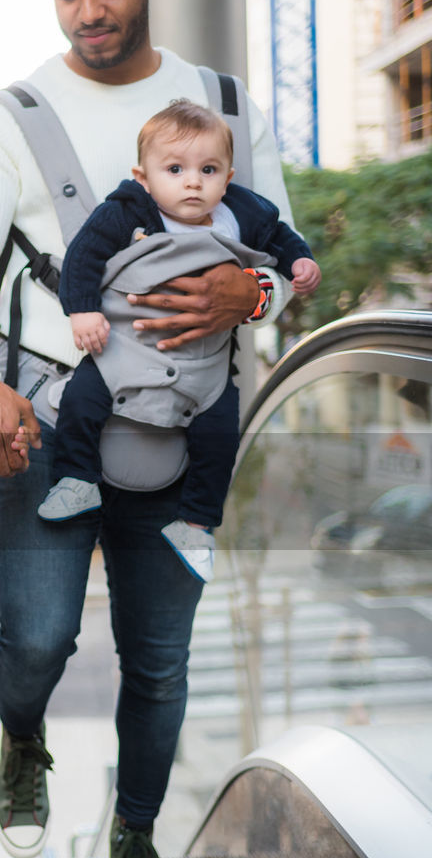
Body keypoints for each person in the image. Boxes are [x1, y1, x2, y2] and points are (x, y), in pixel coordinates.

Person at [0, 0, 303, 858]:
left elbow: (284, 258)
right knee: (39, 637)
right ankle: (22, 736)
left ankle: (134, 846)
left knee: (160, 661)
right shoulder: (11, 116)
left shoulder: (221, 106)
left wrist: (252, 297)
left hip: (187, 421)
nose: (87, 10)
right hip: (49, 417)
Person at [39, 99, 321, 582]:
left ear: (227, 177)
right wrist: (82, 309)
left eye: (208, 170)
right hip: (122, 346)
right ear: (144, 177)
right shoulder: (127, 211)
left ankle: (196, 521)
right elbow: (84, 255)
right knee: (83, 399)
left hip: (204, 363)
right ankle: (76, 478)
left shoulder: (243, 216)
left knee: (220, 431)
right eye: (175, 169)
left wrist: (299, 262)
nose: (193, 181)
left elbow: (281, 237)